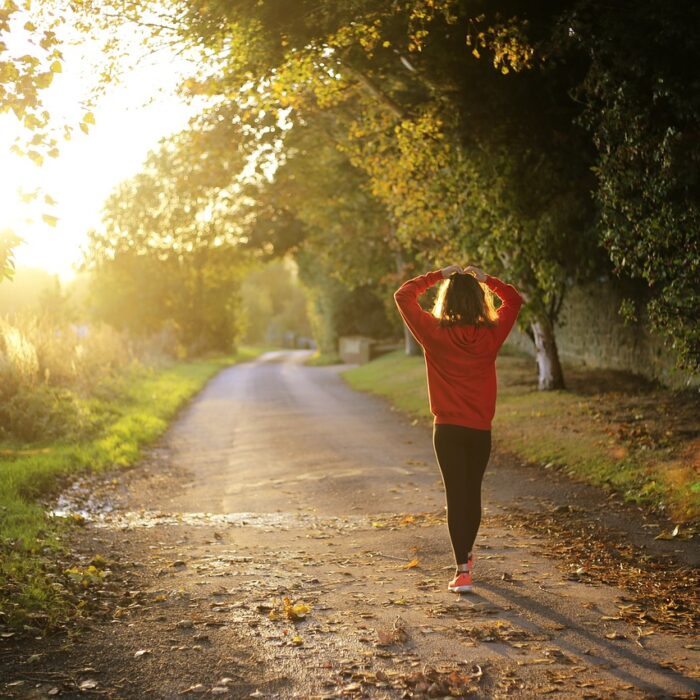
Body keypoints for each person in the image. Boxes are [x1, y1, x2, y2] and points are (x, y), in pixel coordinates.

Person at [393, 263, 523, 593]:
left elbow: (404, 295)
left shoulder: (434, 333)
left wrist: (439, 275)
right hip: (479, 430)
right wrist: (487, 279)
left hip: (447, 430)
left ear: (446, 301)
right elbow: (514, 300)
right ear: (480, 302)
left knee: (456, 495)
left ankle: (462, 569)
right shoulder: (491, 335)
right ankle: (465, 557)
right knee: (472, 493)